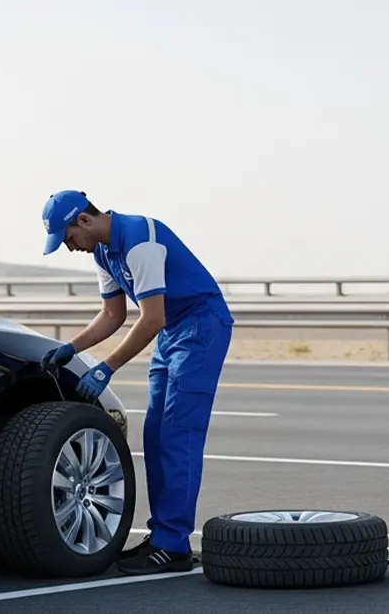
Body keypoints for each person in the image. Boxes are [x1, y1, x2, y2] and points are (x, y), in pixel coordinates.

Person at [38, 189, 233, 575]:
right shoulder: (101, 251)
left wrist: (106, 367)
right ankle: (163, 539)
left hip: (200, 326)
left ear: (84, 220)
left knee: (178, 435)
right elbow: (112, 315)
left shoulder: (139, 241)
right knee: (156, 435)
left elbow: (152, 317)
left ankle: (173, 545)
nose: (69, 247)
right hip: (171, 332)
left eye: (68, 238)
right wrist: (72, 348)